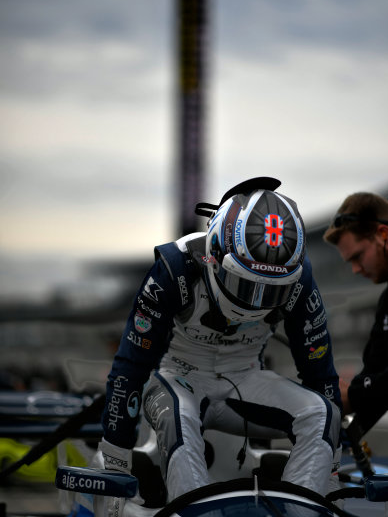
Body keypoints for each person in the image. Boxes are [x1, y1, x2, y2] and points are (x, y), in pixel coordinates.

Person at [99, 177, 342, 517]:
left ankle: (301, 513)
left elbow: (320, 371)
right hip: (178, 378)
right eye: (246, 283)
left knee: (321, 413)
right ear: (214, 255)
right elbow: (131, 365)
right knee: (178, 416)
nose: (256, 302)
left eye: (270, 291)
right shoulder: (176, 266)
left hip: (244, 380)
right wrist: (115, 460)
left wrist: (330, 470)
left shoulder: (300, 278)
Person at [323, 191, 388, 434]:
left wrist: (354, 395)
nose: (356, 269)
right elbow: (375, 370)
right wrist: (347, 435)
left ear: (383, 234)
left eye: (358, 256)